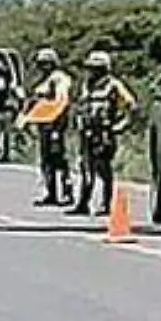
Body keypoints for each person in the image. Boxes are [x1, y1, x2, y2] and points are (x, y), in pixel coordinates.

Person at [70, 50, 138, 216]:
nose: (91, 72)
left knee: (103, 169)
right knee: (86, 168)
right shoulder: (85, 86)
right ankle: (83, 203)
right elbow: (79, 106)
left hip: (104, 134)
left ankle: (106, 204)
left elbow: (131, 106)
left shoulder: (113, 85)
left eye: (95, 68)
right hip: (86, 132)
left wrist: (121, 125)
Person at [27, 47, 76, 206]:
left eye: (45, 64)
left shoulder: (60, 79)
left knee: (59, 159)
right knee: (46, 160)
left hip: (56, 125)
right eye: (41, 64)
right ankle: (51, 192)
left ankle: (67, 192)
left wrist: (57, 127)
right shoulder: (44, 80)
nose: (42, 67)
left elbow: (62, 102)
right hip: (44, 126)